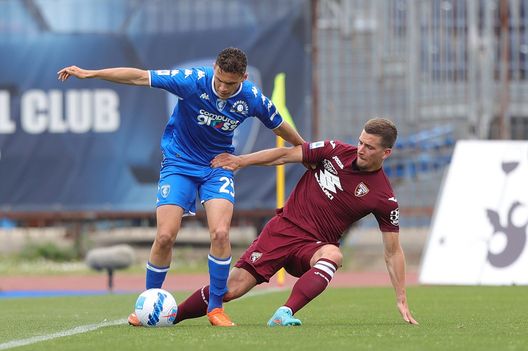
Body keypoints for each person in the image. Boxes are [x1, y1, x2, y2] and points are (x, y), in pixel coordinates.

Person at [57, 47, 305, 327]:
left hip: (217, 167)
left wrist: (305, 149)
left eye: (231, 83)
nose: (223, 87)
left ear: (244, 78)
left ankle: (215, 308)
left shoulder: (251, 97)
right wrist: (91, 73)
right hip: (179, 163)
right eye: (220, 79)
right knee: (165, 236)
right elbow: (139, 77)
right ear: (214, 68)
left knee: (221, 233)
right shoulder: (192, 81)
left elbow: (280, 126)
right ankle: (147, 304)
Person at [168, 117, 418, 327]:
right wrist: (240, 161)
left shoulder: (384, 197)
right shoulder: (334, 150)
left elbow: (393, 251)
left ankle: (284, 313)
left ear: (386, 153)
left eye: (370, 147)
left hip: (313, 247)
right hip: (281, 231)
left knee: (333, 254)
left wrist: (402, 298)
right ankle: (170, 316)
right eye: (361, 142)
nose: (361, 149)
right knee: (230, 290)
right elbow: (284, 155)